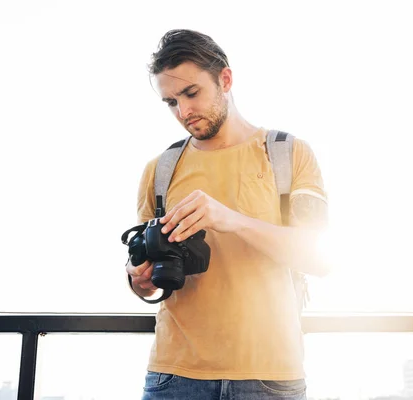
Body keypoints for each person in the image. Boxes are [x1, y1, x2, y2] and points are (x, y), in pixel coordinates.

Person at [125, 29, 329, 400]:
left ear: (225, 79)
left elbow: (319, 258)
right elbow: (146, 279)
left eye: (191, 93)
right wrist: (139, 281)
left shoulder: (288, 154)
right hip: (173, 378)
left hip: (269, 378)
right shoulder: (160, 169)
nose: (184, 112)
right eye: (171, 102)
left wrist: (230, 219)